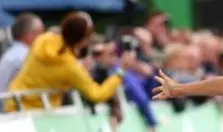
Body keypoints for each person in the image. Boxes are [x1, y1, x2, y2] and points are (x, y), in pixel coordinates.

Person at [4, 11, 136, 112]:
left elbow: (52, 70)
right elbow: (96, 94)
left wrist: (81, 66)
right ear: (83, 40)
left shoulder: (43, 40)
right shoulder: (71, 68)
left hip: (12, 104)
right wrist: (121, 71)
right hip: (39, 114)